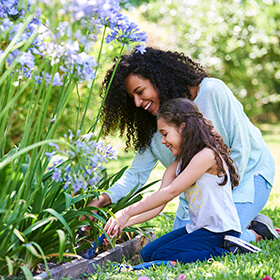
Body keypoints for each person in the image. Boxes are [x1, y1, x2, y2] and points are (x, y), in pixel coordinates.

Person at [84, 47, 278, 245]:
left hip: (248, 176)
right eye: (131, 97)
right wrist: (102, 199)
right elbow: (135, 175)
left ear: (158, 79)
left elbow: (241, 148)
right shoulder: (154, 127)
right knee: (179, 244)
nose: (136, 102)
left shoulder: (211, 91)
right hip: (200, 196)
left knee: (216, 240)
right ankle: (249, 222)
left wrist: (221, 206)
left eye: (140, 92)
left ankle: (256, 233)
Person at [104, 98, 260, 264]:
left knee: (162, 255)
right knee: (148, 254)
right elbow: (158, 203)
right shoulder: (177, 165)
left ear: (183, 128)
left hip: (220, 231)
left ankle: (231, 251)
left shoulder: (207, 156)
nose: (163, 141)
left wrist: (126, 212)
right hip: (198, 229)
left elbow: (171, 192)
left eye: (165, 134)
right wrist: (124, 223)